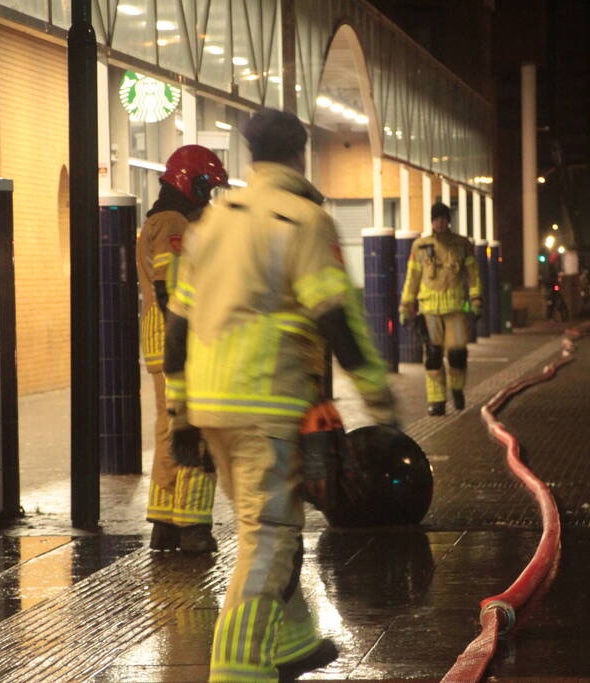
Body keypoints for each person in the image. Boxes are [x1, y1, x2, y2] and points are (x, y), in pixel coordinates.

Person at [163, 107, 397, 682]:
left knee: (262, 524)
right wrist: (377, 395)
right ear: (300, 153)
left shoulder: (211, 223)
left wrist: (179, 414)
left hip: (212, 404)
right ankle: (236, 669)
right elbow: (335, 315)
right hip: (267, 401)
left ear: (251, 155)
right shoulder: (301, 220)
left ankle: (292, 641)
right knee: (267, 539)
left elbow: (177, 327)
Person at [137, 144, 228, 553]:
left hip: (165, 339)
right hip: (182, 339)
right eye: (204, 184)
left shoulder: (163, 218)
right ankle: (192, 526)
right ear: (184, 180)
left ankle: (165, 521)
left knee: (170, 428)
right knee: (197, 427)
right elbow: (171, 289)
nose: (208, 195)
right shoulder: (173, 223)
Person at [398, 202, 482, 416]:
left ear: (449, 220)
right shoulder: (420, 246)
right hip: (429, 311)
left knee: (457, 355)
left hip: (455, 310)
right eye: (436, 218)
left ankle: (457, 389)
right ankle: (437, 401)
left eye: (443, 218)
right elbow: (412, 278)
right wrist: (406, 306)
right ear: (431, 221)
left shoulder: (462, 244)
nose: (440, 222)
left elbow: (473, 275)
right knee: (433, 357)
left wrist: (476, 300)